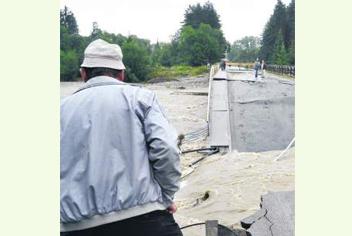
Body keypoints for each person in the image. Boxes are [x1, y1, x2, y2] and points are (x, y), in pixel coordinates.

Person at [60, 39, 182, 236]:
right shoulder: (142, 98)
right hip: (145, 220)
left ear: (83, 73)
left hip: (76, 227)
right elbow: (166, 148)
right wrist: (166, 196)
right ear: (121, 74)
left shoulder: (60, 110)